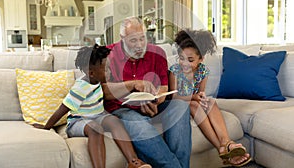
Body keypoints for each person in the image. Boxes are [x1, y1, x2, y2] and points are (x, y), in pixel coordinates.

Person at [33, 44, 151, 168]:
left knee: (114, 121)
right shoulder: (81, 87)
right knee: (96, 129)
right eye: (106, 69)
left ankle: (133, 162)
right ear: (92, 73)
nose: (110, 72)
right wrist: (46, 127)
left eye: (109, 68)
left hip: (98, 115)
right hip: (78, 121)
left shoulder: (97, 81)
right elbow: (63, 109)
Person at [102, 16, 191, 168]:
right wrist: (134, 84)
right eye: (133, 40)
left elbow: (163, 88)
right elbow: (104, 91)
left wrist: (155, 100)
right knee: (138, 123)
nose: (139, 45)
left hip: (152, 105)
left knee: (180, 107)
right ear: (122, 38)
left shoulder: (158, 53)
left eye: (142, 39)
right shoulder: (107, 54)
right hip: (122, 108)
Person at [169, 29, 252, 167]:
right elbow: (174, 96)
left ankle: (226, 143)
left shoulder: (203, 71)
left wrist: (201, 97)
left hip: (194, 102)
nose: (185, 63)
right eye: (181, 58)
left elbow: (201, 93)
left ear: (201, 59)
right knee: (194, 105)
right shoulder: (175, 71)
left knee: (210, 101)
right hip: (181, 105)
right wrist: (195, 97)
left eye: (190, 60)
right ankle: (221, 147)